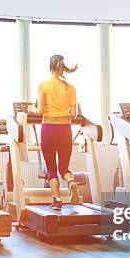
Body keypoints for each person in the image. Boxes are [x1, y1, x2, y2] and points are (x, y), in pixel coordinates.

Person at [31, 54, 80, 210]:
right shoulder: (70, 88)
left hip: (49, 129)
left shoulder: (43, 85)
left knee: (51, 168)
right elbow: (74, 114)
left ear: (50, 67)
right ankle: (71, 182)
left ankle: (57, 201)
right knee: (63, 169)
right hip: (65, 129)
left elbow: (39, 111)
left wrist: (30, 108)